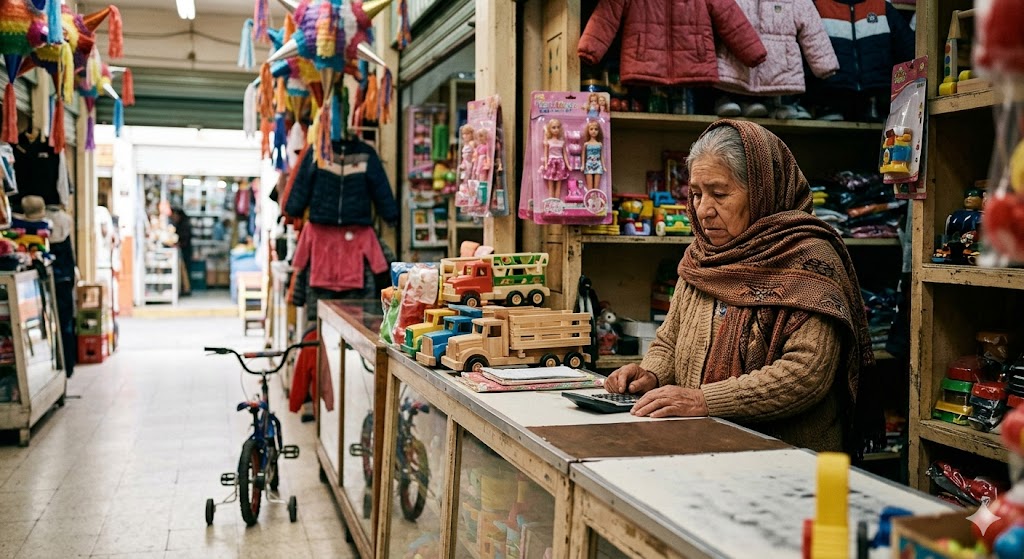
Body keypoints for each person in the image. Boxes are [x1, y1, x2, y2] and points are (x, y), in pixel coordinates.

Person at [605, 120, 873, 452]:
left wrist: (705, 400)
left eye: (719, 193)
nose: (703, 210)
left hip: (785, 464)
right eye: (696, 194)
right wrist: (652, 374)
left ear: (763, 190)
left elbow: (806, 373)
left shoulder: (809, 260)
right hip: (706, 451)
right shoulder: (703, 257)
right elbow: (670, 339)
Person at [169, 208, 192, 296]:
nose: (173, 217)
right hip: (184, 249)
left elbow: (185, 239)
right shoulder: (181, 224)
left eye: (174, 215)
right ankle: (185, 288)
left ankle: (186, 289)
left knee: (185, 269)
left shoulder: (184, 225)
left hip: (185, 250)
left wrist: (179, 244)